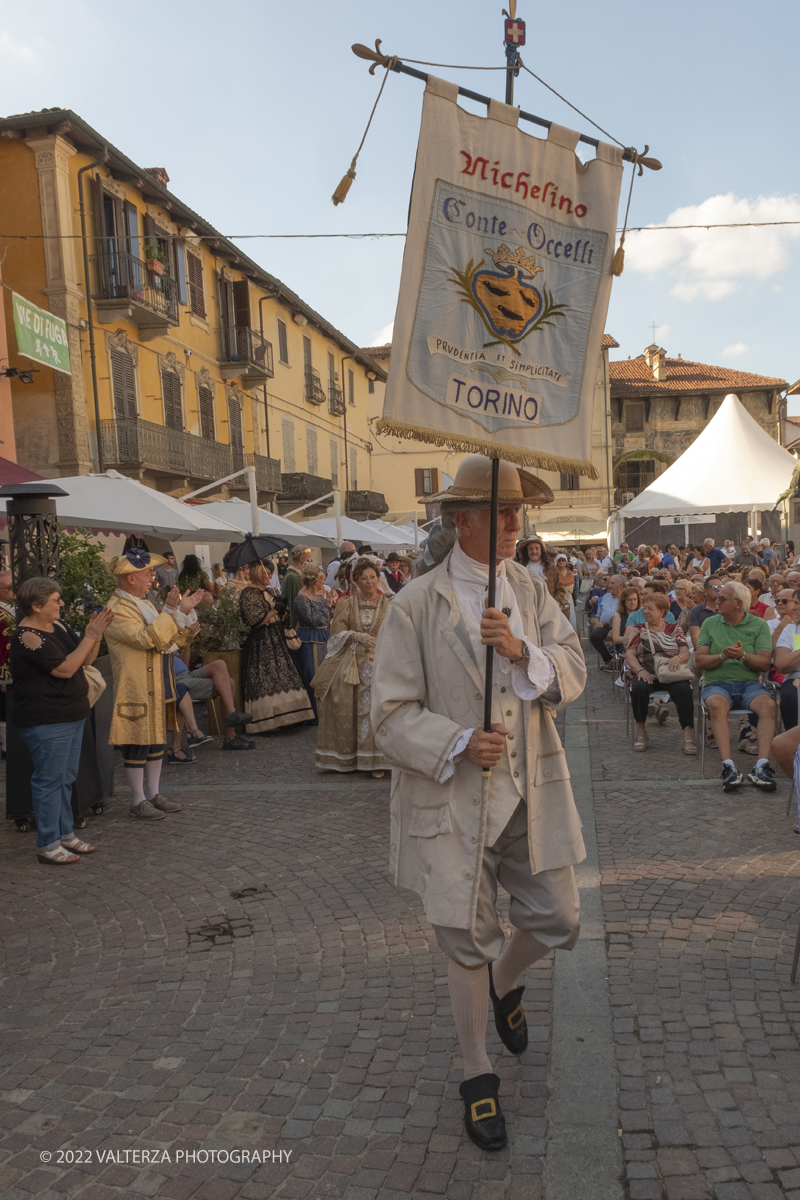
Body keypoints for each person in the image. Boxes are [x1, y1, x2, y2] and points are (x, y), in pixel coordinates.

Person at [370, 455, 585, 1152]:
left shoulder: (529, 586)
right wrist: (460, 741)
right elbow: (390, 714)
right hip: (456, 796)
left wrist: (523, 651)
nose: (514, 522)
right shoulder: (413, 604)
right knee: (463, 933)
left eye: (519, 510)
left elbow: (573, 665)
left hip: (529, 788)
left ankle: (506, 979)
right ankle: (476, 1072)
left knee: (560, 915)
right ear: (461, 520)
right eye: (500, 511)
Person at [9, 578, 114, 864]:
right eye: (56, 599)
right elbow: (65, 669)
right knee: (49, 781)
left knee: (66, 778)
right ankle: (47, 843)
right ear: (36, 606)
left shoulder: (57, 627)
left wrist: (97, 634)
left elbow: (86, 660)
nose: (62, 604)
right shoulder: (27, 637)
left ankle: (65, 833)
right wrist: (90, 636)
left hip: (71, 714)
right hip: (46, 719)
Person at [106, 549, 205, 820]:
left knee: (157, 740)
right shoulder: (116, 609)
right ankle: (138, 798)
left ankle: (153, 793)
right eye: (146, 572)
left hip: (157, 680)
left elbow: (165, 641)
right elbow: (147, 638)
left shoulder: (145, 603)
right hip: (136, 683)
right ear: (129, 578)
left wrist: (182, 624)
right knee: (137, 741)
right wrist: (173, 611)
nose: (152, 576)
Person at [312, 557, 391, 777]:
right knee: (340, 694)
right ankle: (351, 757)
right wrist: (356, 636)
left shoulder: (389, 604)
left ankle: (378, 759)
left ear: (378, 578)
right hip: (352, 659)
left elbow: (397, 634)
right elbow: (335, 635)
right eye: (364, 578)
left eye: (372, 577)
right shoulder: (347, 603)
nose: (369, 582)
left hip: (382, 658)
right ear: (355, 581)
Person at [695, 581, 776, 791]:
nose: (716, 600)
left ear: (738, 604)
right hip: (717, 683)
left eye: (721, 598)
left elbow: (765, 663)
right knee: (716, 705)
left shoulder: (758, 625)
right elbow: (700, 661)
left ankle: (762, 764)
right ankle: (728, 766)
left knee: (768, 705)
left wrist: (743, 656)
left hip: (749, 683)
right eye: (717, 596)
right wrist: (722, 656)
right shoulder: (710, 623)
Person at [240, 563, 313, 733]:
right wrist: (274, 610)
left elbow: (283, 615)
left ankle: (289, 718)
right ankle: (267, 722)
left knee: (285, 677)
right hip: (261, 641)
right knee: (266, 679)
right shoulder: (248, 593)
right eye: (266, 572)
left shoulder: (272, 591)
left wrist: (282, 609)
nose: (270, 575)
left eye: (271, 573)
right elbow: (254, 620)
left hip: (277, 637)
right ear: (257, 573)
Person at [626, 592, 695, 755]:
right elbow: (630, 654)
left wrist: (678, 658)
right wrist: (640, 671)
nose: (646, 611)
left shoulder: (674, 629)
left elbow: (685, 652)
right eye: (644, 608)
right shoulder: (639, 630)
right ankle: (641, 731)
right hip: (648, 671)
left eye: (650, 608)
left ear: (662, 611)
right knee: (638, 688)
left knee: (684, 689)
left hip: (671, 671)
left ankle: (687, 735)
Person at [169, 656, 253, 758]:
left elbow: (184, 662)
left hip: (186, 674)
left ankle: (232, 718)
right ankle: (231, 730)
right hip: (173, 679)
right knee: (229, 683)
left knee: (220, 665)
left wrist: (186, 646)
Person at [294, 562, 334, 720]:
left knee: (324, 674)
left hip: (323, 637)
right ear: (314, 580)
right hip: (310, 639)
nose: (323, 582)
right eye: (321, 579)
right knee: (312, 674)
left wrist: (327, 607)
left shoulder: (318, 597)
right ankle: (315, 714)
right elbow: (315, 620)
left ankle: (325, 711)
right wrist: (328, 606)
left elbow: (325, 620)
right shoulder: (301, 599)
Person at [772, 589, 800, 730]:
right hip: (793, 679)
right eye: (794, 602)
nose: (793, 608)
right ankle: (794, 744)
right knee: (790, 695)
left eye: (797, 603)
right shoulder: (791, 630)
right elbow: (781, 665)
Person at [588, 575, 624, 667]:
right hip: (606, 625)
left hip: (622, 626)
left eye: (612, 583)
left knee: (619, 638)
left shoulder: (626, 598)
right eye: (609, 583)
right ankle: (608, 659)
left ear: (621, 585)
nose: (609, 585)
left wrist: (614, 629)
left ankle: (621, 660)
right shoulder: (606, 596)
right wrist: (597, 622)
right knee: (594, 635)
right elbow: (598, 615)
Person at [281, 545, 313, 627]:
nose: (311, 560)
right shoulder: (293, 577)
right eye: (309, 557)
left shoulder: (297, 575)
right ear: (301, 559)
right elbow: (295, 604)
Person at [688, 576, 722, 647]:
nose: (718, 589)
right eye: (714, 587)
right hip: (705, 649)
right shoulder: (697, 610)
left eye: (721, 586)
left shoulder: (728, 608)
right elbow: (695, 638)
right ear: (705, 591)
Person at [611, 586, 640, 653]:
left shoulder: (642, 614)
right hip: (624, 646)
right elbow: (615, 639)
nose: (632, 602)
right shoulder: (618, 616)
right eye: (629, 600)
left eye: (635, 599)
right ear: (624, 602)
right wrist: (635, 639)